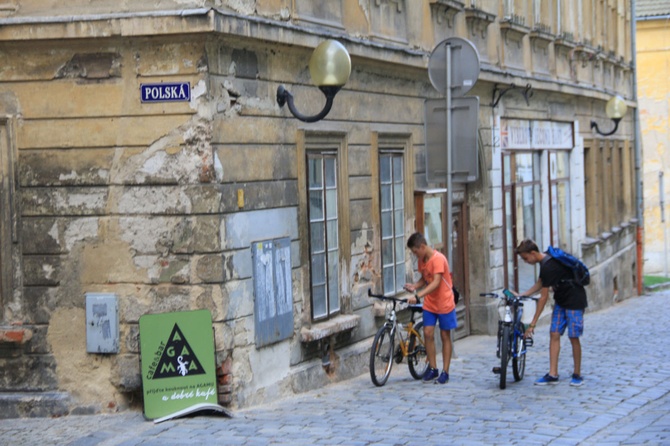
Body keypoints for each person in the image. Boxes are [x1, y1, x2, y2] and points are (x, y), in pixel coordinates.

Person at [514, 239, 588, 387]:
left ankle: (577, 374)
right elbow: (541, 282)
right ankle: (553, 374)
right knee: (554, 334)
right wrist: (523, 294)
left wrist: (533, 324)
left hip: (574, 300)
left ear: (533, 253)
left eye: (525, 258)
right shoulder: (545, 260)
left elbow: (543, 297)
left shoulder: (548, 265)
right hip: (561, 301)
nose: (525, 261)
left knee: (574, 336)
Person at [404, 232, 457, 384]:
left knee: (445, 335)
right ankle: (433, 368)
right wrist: (415, 286)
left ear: (422, 247)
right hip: (431, 303)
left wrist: (418, 296)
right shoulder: (423, 260)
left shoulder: (438, 259)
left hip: (444, 303)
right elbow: (425, 278)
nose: (415, 255)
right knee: (428, 333)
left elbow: (435, 282)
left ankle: (445, 371)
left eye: (415, 252)